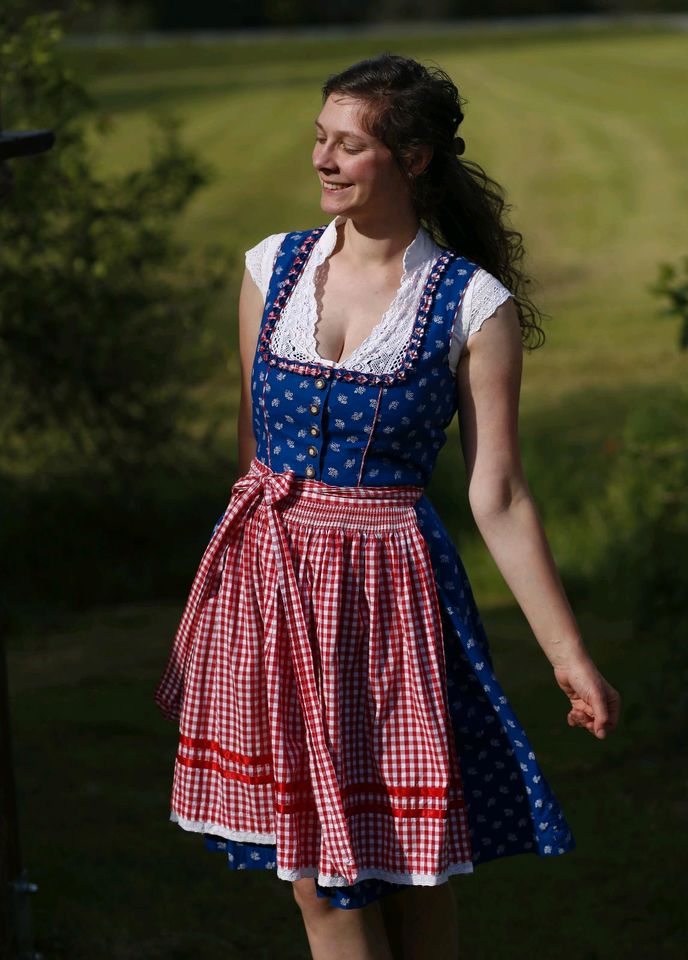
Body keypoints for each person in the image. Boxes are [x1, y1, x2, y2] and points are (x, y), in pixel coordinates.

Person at [154, 53, 621, 960]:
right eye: (319, 140)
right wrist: (236, 598)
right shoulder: (272, 266)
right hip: (271, 590)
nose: (324, 161)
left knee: (416, 878)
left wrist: (569, 658)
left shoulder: (469, 304)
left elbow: (501, 490)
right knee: (321, 884)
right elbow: (251, 446)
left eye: (350, 146)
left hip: (393, 600)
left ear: (411, 161)